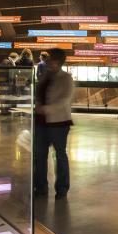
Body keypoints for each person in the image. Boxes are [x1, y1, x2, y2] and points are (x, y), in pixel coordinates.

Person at [34, 48, 74, 200]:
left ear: (58, 61)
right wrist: (38, 106)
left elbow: (64, 99)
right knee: (39, 155)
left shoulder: (66, 78)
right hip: (41, 121)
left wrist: (46, 109)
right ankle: (40, 187)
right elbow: (39, 93)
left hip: (59, 122)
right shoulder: (45, 75)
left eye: (51, 58)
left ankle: (62, 188)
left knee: (60, 154)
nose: (48, 61)